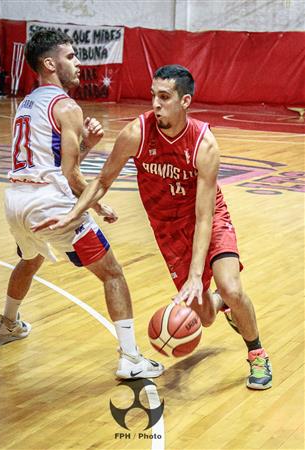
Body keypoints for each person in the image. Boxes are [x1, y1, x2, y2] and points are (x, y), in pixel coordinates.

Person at [33, 64, 272, 390]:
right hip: (168, 230)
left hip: (209, 221)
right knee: (204, 316)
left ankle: (256, 352)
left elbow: (204, 218)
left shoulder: (204, 144)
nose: (156, 104)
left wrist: (194, 276)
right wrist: (73, 213)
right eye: (153, 96)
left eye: (164, 97)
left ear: (185, 101)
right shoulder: (136, 133)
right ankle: (221, 304)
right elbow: (102, 182)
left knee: (230, 285)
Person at [0, 29, 164, 380]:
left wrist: (90, 142)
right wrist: (98, 206)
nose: (78, 62)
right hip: (47, 203)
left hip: (16, 202)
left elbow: (56, 164)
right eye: (71, 57)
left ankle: (8, 323)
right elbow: (70, 174)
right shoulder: (67, 105)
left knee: (31, 257)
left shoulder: (27, 103)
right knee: (112, 272)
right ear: (50, 63)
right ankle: (130, 358)